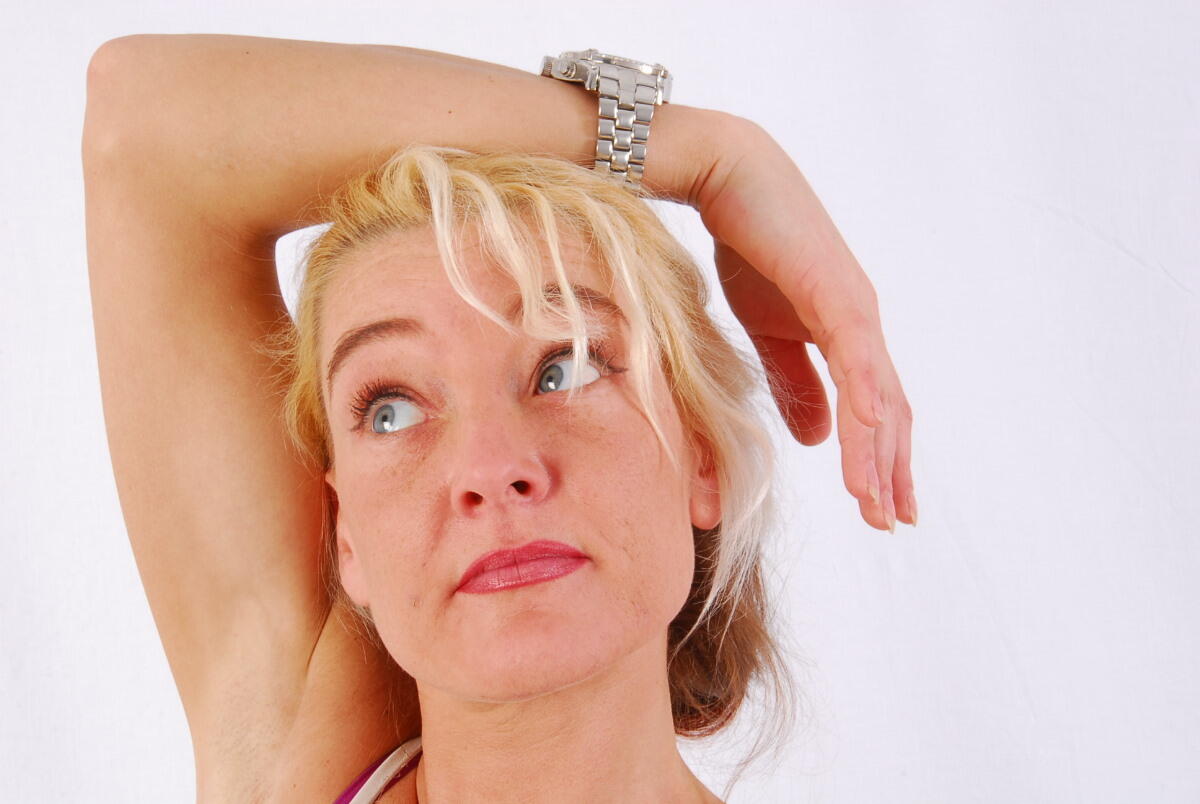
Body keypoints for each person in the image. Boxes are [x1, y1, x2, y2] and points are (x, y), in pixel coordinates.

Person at [82, 34, 915, 803]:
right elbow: (146, 125)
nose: (490, 467)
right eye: (391, 409)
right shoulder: (298, 757)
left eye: (566, 367)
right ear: (347, 537)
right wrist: (706, 157)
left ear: (702, 457)